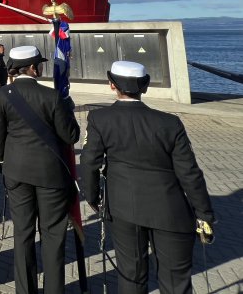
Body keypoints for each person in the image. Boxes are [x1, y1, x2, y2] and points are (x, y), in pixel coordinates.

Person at [81, 61, 215, 294]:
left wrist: (94, 198)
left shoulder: (99, 119)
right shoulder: (170, 123)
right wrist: (204, 214)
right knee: (176, 283)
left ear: (112, 85)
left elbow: (89, 163)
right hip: (170, 210)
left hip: (123, 209)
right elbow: (190, 173)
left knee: (131, 278)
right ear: (144, 87)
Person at [0, 45, 80, 294]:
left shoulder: (2, 95)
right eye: (39, 64)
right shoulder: (52, 97)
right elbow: (70, 135)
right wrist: (68, 109)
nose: (41, 68)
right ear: (31, 68)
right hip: (50, 175)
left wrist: (4, 167)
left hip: (16, 173)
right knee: (53, 237)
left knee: (23, 234)